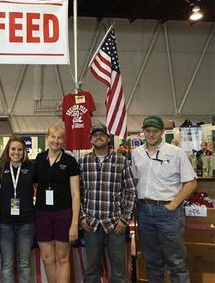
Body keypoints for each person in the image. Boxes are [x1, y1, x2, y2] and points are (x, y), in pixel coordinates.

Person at [131, 116, 197, 282]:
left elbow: (191, 182)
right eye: (148, 131)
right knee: (152, 261)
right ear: (143, 131)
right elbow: (135, 180)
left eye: (155, 131)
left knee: (176, 262)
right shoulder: (136, 154)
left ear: (162, 132)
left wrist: (173, 204)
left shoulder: (176, 153)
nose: (151, 134)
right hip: (144, 211)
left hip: (168, 213)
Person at [79, 124, 136, 283]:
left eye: (102, 134)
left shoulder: (121, 161)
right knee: (91, 271)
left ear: (108, 138)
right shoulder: (82, 162)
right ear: (90, 139)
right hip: (91, 224)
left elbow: (130, 191)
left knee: (119, 272)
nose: (98, 137)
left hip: (115, 225)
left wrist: (124, 219)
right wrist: (81, 217)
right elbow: (77, 193)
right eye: (95, 134)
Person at [34, 125, 80, 283]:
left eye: (59, 137)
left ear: (63, 140)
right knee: (47, 258)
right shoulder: (39, 159)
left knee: (62, 258)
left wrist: (74, 223)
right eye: (53, 136)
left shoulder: (70, 161)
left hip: (64, 213)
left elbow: (75, 194)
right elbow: (34, 184)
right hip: (42, 213)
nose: (56, 140)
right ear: (47, 138)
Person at [0, 135, 35, 283]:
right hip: (5, 223)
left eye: (20, 149)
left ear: (24, 151)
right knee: (7, 264)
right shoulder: (1, 168)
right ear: (8, 150)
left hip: (26, 222)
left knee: (24, 264)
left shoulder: (31, 168)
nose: (16, 152)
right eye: (13, 149)